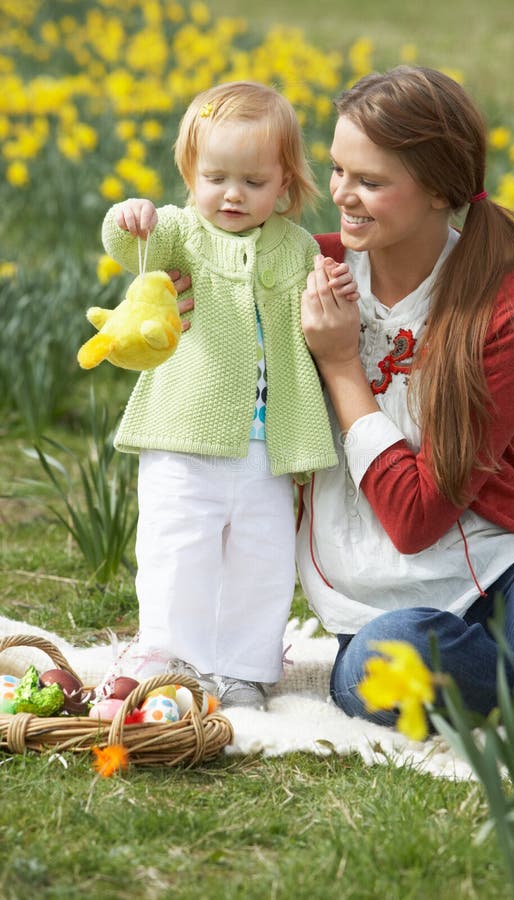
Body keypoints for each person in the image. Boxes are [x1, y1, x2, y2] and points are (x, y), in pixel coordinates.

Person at [297, 64, 514, 726]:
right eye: (339, 170)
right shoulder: (307, 272)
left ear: (439, 192)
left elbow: (417, 519)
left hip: (503, 566)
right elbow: (205, 253)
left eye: (371, 182)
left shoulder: (507, 307)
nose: (343, 194)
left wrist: (343, 366)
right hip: (378, 604)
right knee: (382, 662)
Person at [99, 81, 357, 708]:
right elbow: (133, 244)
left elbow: (316, 308)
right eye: (215, 177)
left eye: (254, 181)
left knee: (261, 560)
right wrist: (130, 216)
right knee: (175, 543)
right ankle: (167, 653)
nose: (233, 195)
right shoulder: (182, 232)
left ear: (286, 186)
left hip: (268, 445)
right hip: (186, 432)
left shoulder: (295, 247)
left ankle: (243, 667)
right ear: (191, 175)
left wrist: (333, 287)